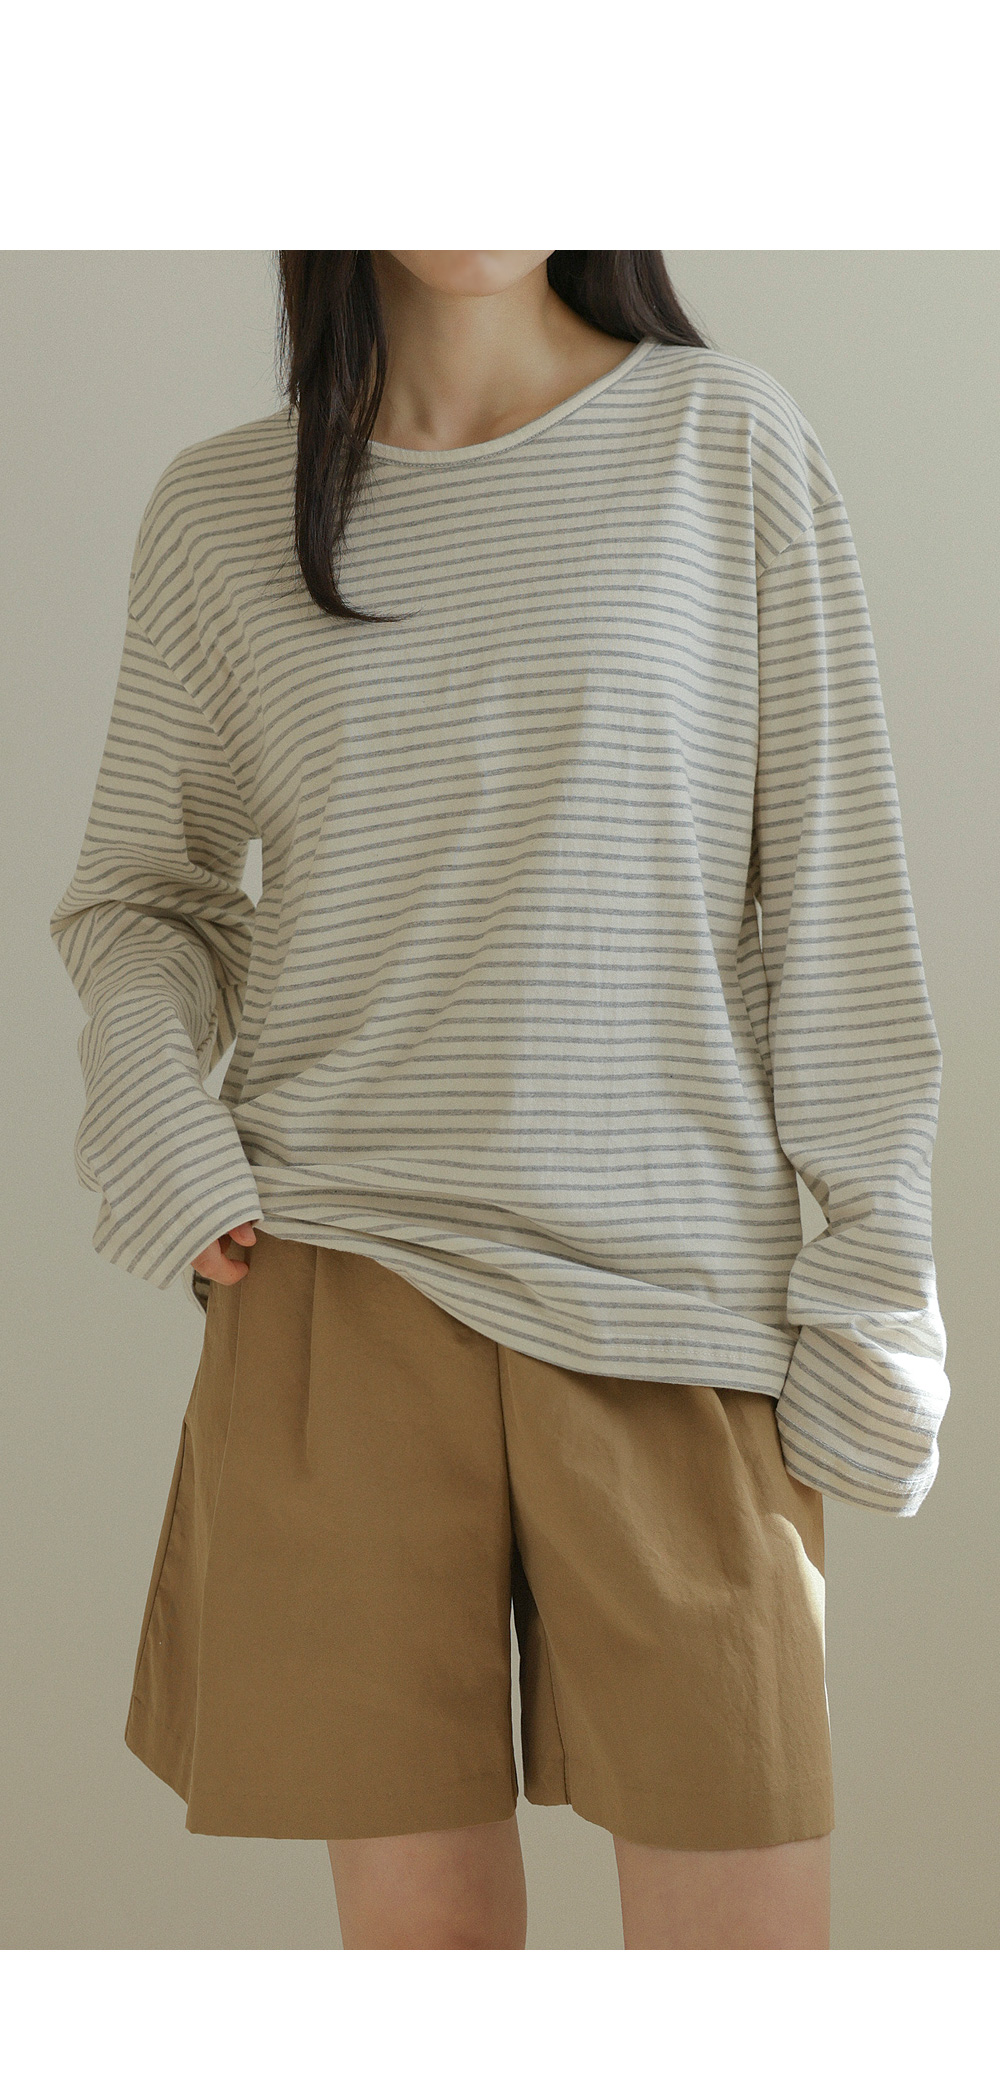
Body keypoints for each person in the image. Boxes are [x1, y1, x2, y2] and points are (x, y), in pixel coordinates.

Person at [49, 250, 950, 1949]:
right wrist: (164, 1123)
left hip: (674, 1310)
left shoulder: (725, 442)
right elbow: (142, 897)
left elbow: (834, 918)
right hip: (341, 1292)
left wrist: (873, 1285)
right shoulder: (223, 509)